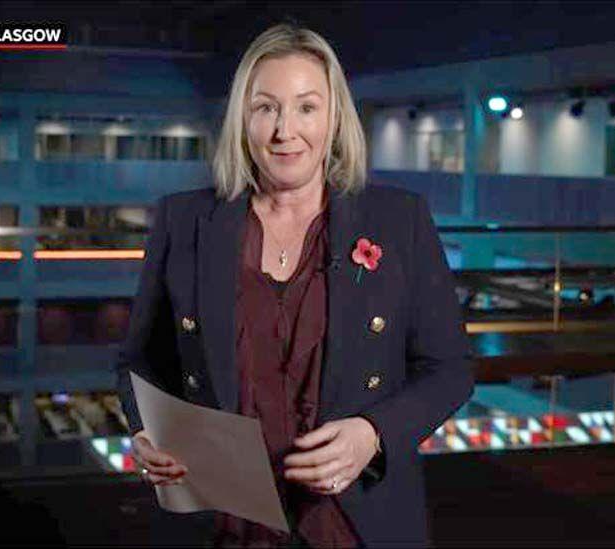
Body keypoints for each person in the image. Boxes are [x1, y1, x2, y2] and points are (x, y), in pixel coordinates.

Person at [116, 23, 474, 548]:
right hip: (222, 522)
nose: (286, 130)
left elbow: (451, 368)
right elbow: (139, 362)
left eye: (307, 107)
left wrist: (373, 435)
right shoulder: (183, 219)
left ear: (334, 118)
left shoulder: (400, 219)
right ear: (244, 118)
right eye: (266, 108)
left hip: (352, 525)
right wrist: (146, 433)